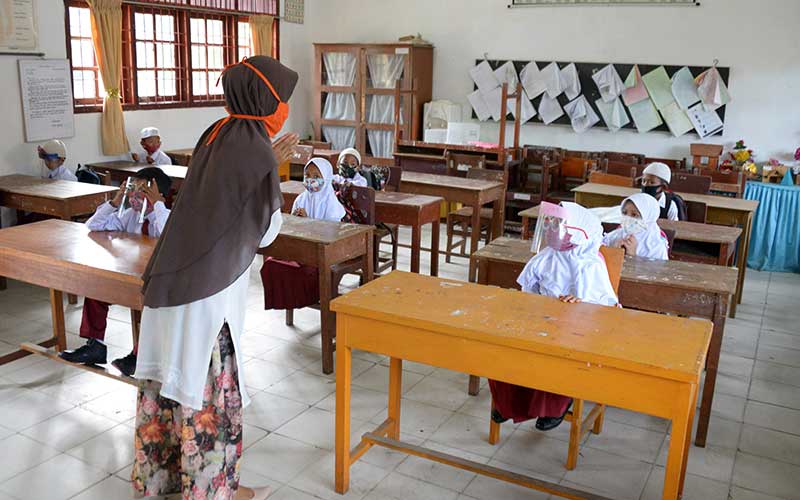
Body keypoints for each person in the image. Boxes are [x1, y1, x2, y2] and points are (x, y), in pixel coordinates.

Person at [132, 55, 299, 500]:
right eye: (282, 100)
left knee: (166, 384)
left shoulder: (217, 131)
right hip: (207, 296)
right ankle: (214, 491)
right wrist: (273, 169)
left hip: (172, 280)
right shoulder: (256, 147)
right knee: (209, 396)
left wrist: (268, 162)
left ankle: (160, 482)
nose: (285, 109)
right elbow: (265, 232)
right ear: (266, 99)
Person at [489, 202, 618, 431]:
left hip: (575, 328)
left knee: (555, 356)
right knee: (506, 345)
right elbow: (529, 288)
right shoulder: (548, 256)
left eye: (559, 224)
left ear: (577, 230)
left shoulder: (589, 264)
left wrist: (578, 302)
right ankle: (506, 404)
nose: (551, 229)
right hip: (542, 320)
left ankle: (555, 405)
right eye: (550, 223)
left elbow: (602, 309)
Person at [59, 167, 172, 376]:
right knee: (97, 289)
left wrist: (157, 204)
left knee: (151, 306)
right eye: (134, 190)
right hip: (132, 277)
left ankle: (140, 356)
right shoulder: (130, 215)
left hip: (158, 284)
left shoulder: (166, 217)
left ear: (159, 196)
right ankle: (95, 345)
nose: (136, 196)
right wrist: (115, 202)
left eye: (143, 191)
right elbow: (93, 225)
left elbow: (170, 238)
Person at [260, 157, 345, 310]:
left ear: (325, 178)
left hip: (321, 252)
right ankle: (286, 300)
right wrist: (296, 219)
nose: (311, 180)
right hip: (300, 249)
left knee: (298, 270)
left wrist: (308, 222)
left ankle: (308, 296)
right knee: (271, 265)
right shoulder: (301, 199)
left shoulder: (331, 203)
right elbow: (292, 226)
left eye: (316, 176)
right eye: (307, 175)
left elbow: (332, 233)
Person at [603, 193, 669, 260]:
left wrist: (632, 256)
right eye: (624, 213)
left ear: (648, 218)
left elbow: (658, 269)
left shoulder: (656, 247)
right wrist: (611, 251)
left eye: (634, 215)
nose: (627, 218)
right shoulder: (616, 235)